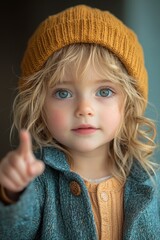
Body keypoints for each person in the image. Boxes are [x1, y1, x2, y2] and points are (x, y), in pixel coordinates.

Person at [0, 4, 159, 240]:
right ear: (38, 104)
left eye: (104, 91)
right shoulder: (37, 180)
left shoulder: (148, 180)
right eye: (63, 93)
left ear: (129, 103)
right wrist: (13, 194)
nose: (84, 109)